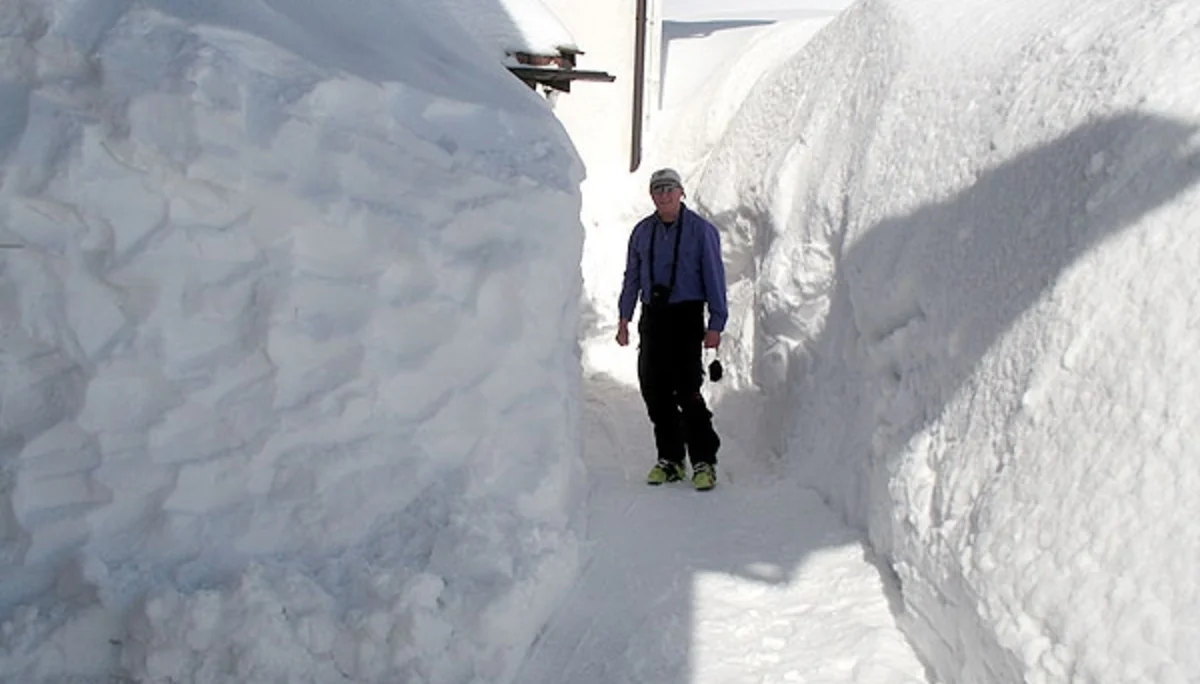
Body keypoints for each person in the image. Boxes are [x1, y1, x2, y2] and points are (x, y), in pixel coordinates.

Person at [616, 168, 728, 491]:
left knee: (688, 390)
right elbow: (632, 278)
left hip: (687, 316)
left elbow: (714, 278)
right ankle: (671, 458)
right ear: (652, 196)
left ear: (681, 192)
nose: (664, 195)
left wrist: (716, 323)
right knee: (654, 388)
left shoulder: (701, 231)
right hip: (653, 317)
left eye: (669, 189)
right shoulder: (641, 233)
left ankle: (704, 459)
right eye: (658, 190)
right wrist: (624, 318)